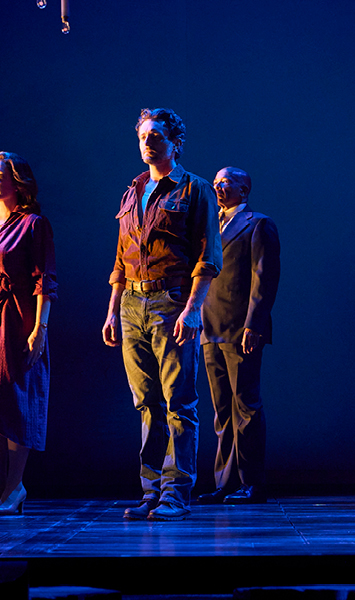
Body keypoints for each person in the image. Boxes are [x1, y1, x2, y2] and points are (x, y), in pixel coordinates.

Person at [102, 108, 222, 521]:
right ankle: (151, 491)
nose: (148, 143)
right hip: (131, 304)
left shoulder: (194, 189)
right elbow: (121, 259)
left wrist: (193, 309)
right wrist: (112, 311)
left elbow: (208, 257)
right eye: (143, 136)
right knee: (146, 403)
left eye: (156, 136)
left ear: (175, 143)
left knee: (179, 402)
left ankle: (176, 493)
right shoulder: (132, 192)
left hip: (171, 303)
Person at [196, 168, 280, 505]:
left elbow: (264, 277)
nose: (218, 186)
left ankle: (251, 482)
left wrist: (253, 326)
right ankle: (226, 482)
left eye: (225, 182)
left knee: (246, 406)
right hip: (209, 327)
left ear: (243, 189)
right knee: (222, 409)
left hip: (240, 328)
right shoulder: (208, 225)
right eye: (216, 182)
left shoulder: (258, 223)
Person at [0, 152, 57, 516]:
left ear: (17, 182)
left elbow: (45, 279)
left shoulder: (33, 224)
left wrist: (39, 329)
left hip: (17, 319)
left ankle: (14, 487)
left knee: (14, 401)